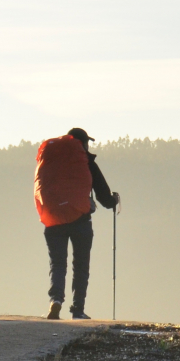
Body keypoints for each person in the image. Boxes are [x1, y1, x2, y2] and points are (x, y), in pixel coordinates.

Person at [40, 128, 119, 320]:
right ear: (81, 143)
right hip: (80, 220)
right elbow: (102, 194)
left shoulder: (49, 161)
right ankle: (78, 309)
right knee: (80, 265)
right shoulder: (85, 161)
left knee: (58, 263)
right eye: (87, 143)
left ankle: (56, 300)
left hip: (53, 219)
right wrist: (113, 200)